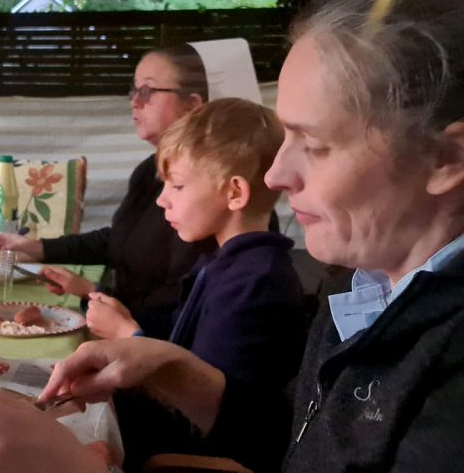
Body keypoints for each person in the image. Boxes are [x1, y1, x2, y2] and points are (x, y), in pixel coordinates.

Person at [0, 0, 464, 473]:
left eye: (316, 144)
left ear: (449, 158)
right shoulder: (369, 289)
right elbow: (293, 443)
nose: (276, 175)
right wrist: (170, 366)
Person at [91, 97, 305, 470]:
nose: (162, 200)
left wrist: (129, 336)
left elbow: (207, 417)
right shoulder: (225, 262)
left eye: (177, 186)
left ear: (234, 193)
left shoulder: (254, 284)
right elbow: (182, 340)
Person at [0, 45, 218, 339]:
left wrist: (93, 291)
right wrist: (39, 247)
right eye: (134, 91)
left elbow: (176, 307)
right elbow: (119, 238)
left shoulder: (206, 195)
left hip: (145, 346)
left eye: (148, 91)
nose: (135, 102)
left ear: (192, 105)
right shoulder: (147, 171)